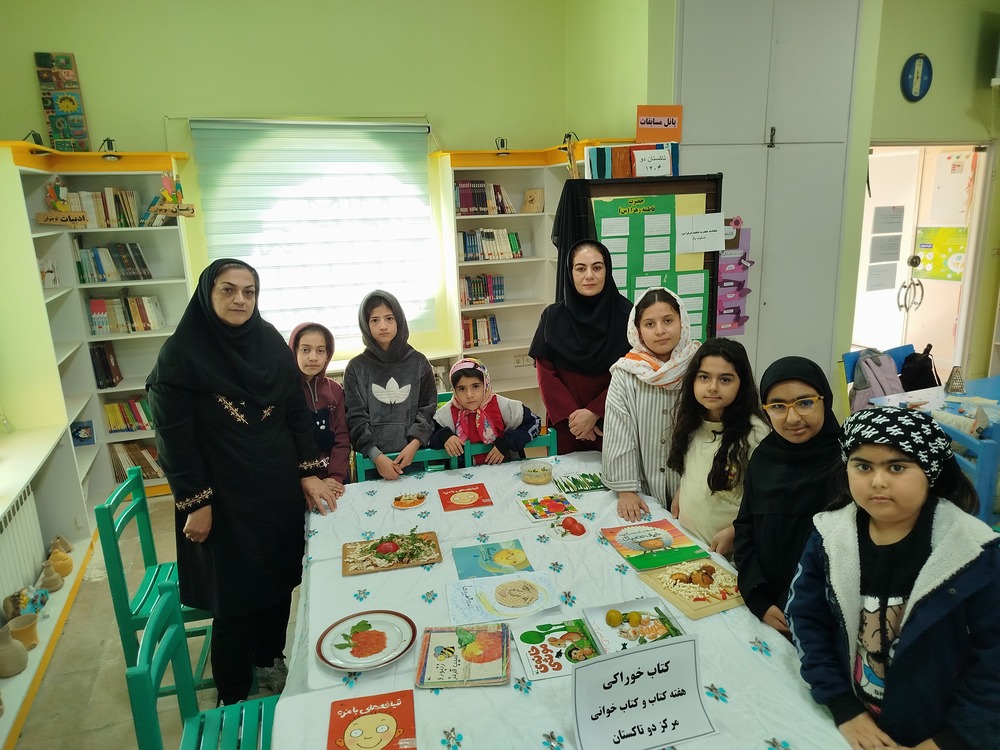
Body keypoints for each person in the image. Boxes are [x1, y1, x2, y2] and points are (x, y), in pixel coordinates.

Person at [147, 259, 337, 705]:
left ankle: (269, 659)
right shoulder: (181, 355)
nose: (240, 299)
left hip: (275, 489)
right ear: (207, 294)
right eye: (228, 290)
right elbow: (174, 438)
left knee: (278, 580)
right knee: (233, 595)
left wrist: (309, 472)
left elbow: (295, 411)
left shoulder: (268, 342)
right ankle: (232, 694)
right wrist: (196, 502)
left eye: (249, 291)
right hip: (221, 496)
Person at [787, 406, 1000, 750]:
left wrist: (952, 740)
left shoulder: (974, 552)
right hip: (851, 721)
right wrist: (842, 705)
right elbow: (806, 619)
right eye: (863, 466)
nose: (878, 481)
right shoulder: (829, 537)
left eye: (897, 467)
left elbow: (993, 662)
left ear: (930, 471)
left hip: (939, 732)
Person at [732, 356, 839, 638]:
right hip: (769, 608)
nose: (792, 418)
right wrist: (757, 595)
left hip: (824, 618)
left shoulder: (849, 464)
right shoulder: (763, 458)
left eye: (805, 403)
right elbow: (745, 528)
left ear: (824, 400)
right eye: (778, 406)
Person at [603, 287, 700, 521]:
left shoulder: (700, 367)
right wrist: (626, 490)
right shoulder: (626, 372)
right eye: (649, 324)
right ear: (637, 331)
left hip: (693, 483)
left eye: (668, 321)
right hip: (641, 485)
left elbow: (707, 432)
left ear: (682, 322)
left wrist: (691, 487)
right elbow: (619, 432)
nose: (660, 331)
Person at [666, 338, 769, 555]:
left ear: (741, 384)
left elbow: (766, 500)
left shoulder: (755, 433)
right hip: (689, 543)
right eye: (704, 377)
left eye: (725, 379)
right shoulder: (691, 422)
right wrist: (682, 492)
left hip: (728, 554)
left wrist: (735, 531)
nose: (712, 387)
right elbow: (696, 470)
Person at [529, 239, 632, 454]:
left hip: (612, 418)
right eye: (580, 268)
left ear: (607, 270)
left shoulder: (628, 315)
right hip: (568, 425)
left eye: (597, 267)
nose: (589, 275)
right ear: (570, 272)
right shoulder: (552, 317)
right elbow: (546, 376)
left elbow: (631, 373)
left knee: (614, 472)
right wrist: (575, 419)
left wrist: (595, 412)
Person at [344, 290, 436, 480]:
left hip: (413, 456)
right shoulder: (356, 368)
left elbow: (427, 410)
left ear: (399, 320)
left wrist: (414, 444)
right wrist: (376, 456)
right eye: (374, 320)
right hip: (371, 462)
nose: (383, 326)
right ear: (365, 325)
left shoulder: (419, 362)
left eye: (389, 318)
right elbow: (355, 418)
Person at [429, 357, 541, 464]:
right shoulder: (447, 413)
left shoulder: (502, 406)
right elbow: (428, 436)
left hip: (504, 470)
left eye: (475, 386)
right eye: (462, 389)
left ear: (486, 384)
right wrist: (445, 437)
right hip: (463, 473)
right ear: (454, 390)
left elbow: (535, 423)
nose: (469, 395)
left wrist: (507, 442)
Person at [289, 322, 350, 486]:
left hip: (334, 479)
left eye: (320, 350)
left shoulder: (336, 391)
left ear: (328, 354)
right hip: (299, 482)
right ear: (294, 351)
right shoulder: (284, 390)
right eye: (305, 350)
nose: (313, 357)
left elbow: (342, 438)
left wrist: (335, 477)